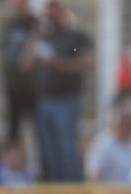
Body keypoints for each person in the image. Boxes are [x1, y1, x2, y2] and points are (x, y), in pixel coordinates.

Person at [25, 1, 93, 182]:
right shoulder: (43, 38)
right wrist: (35, 38)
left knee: (68, 150)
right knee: (48, 152)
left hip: (67, 100)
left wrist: (58, 64)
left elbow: (88, 64)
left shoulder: (76, 37)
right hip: (44, 101)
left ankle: (73, 191)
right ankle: (54, 192)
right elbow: (25, 65)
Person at [0, 0, 37, 142]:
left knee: (37, 129)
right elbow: (5, 56)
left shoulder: (36, 24)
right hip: (14, 87)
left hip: (33, 88)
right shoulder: (9, 26)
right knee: (13, 131)